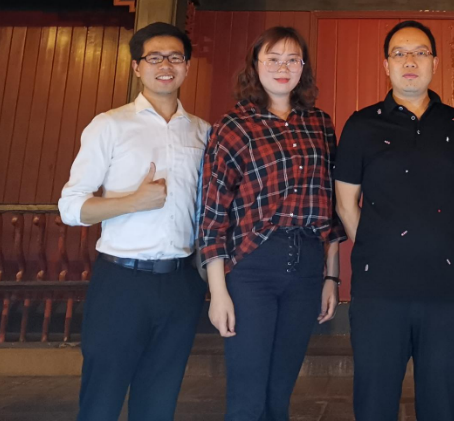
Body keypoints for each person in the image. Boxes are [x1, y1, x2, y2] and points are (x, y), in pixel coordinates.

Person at [58, 22, 209, 421]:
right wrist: (133, 202)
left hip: (181, 282)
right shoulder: (110, 125)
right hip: (121, 283)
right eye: (154, 58)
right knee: (101, 401)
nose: (165, 66)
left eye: (175, 57)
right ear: (136, 67)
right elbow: (70, 208)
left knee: (159, 402)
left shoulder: (203, 132)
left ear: (187, 66)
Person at [199, 26, 345, 421]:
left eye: (292, 60)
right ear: (255, 65)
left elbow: (330, 205)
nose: (283, 68)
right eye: (273, 59)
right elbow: (212, 214)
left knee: (280, 392)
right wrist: (218, 292)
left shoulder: (320, 124)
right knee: (247, 395)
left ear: (303, 68)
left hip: (307, 266)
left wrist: (331, 277)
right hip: (253, 267)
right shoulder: (234, 126)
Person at [334, 20, 454, 421]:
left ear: (434, 62)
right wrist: (379, 247)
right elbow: (345, 204)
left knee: (441, 405)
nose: (410, 61)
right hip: (379, 290)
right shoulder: (361, 125)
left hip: (445, 289)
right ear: (386, 65)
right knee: (375, 404)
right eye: (399, 53)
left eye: (420, 53)